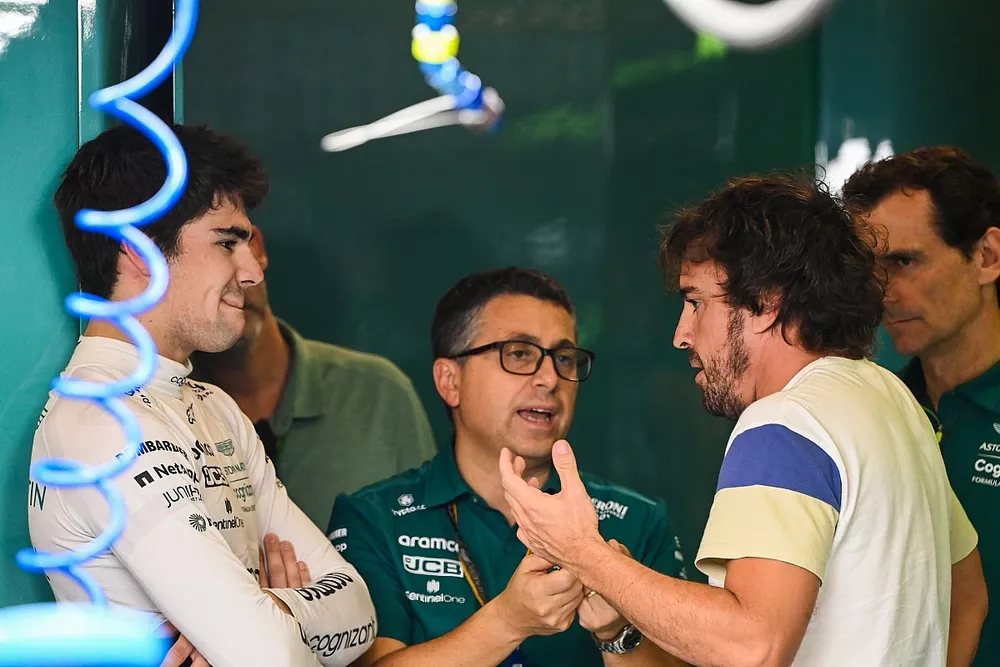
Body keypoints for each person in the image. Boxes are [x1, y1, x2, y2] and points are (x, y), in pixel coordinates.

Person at [498, 175, 988, 666]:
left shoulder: (784, 422)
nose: (681, 335)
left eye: (696, 303)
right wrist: (617, 613)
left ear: (766, 300)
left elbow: (753, 646)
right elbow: (968, 598)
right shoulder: (892, 398)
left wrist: (585, 553)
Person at [28, 123, 376, 667]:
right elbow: (271, 656)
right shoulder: (98, 422)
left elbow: (359, 616)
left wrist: (268, 608)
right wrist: (276, 620)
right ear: (137, 249)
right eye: (226, 242)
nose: (252, 269)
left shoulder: (214, 406)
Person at [328, 267, 688, 666]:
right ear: (450, 381)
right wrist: (508, 621)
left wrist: (616, 631)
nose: (550, 378)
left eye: (564, 358)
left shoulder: (637, 520)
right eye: (519, 353)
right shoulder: (373, 518)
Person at [843, 147, 996, 665]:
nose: (882, 292)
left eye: (904, 262)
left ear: (987, 257)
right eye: (870, 269)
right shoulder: (871, 410)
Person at [191, 223, 437, 529]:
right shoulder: (153, 409)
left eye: (229, 244)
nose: (235, 280)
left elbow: (430, 543)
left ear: (258, 248)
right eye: (201, 260)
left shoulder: (380, 392)